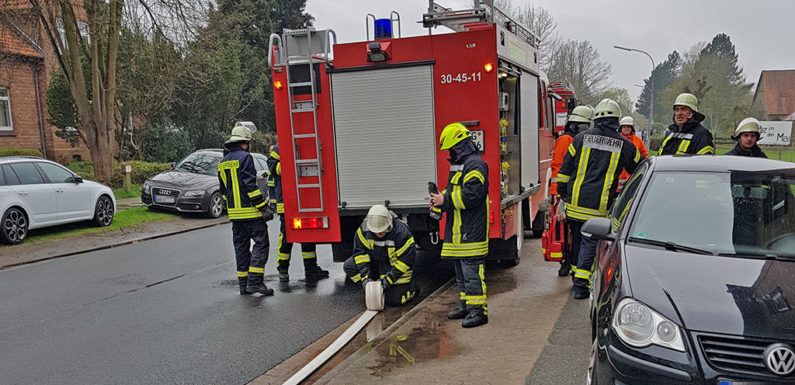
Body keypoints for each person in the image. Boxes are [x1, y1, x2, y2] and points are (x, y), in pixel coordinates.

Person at [557, 99, 642, 299]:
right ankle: (580, 285)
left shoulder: (579, 139)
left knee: (577, 240)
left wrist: (563, 194)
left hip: (575, 203)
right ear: (616, 120)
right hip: (599, 208)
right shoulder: (625, 145)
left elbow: (564, 170)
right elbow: (639, 169)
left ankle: (576, 276)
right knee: (589, 244)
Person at [429, 122, 490, 328]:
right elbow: (452, 189)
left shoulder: (475, 164)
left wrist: (444, 201)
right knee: (462, 272)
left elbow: (473, 195)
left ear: (458, 145)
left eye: (451, 149)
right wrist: (440, 197)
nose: (450, 153)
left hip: (471, 230)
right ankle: (466, 306)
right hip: (459, 230)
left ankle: (478, 312)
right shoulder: (461, 164)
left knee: (472, 272)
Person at [218, 124, 274, 295]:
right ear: (244, 143)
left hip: (235, 216)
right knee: (261, 243)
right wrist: (263, 208)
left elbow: (223, 191)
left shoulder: (222, 162)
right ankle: (255, 282)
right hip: (251, 213)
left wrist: (232, 208)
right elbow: (251, 187)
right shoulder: (245, 158)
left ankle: (243, 284)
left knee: (241, 248)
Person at [266, 144, 329, 282]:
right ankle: (282, 269)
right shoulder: (280, 147)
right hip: (287, 201)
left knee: (308, 235)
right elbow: (272, 166)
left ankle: (310, 269)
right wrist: (290, 166)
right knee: (287, 236)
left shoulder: (303, 144)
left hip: (305, 199)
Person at [343, 205, 420, 306]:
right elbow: (360, 255)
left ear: (389, 222)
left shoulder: (401, 233)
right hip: (375, 265)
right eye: (376, 231)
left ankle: (413, 287)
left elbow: (405, 262)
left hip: (394, 268)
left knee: (393, 300)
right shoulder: (363, 230)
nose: (379, 233)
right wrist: (366, 279)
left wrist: (387, 281)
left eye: (382, 230)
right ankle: (371, 288)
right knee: (349, 266)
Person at [549, 105, 593, 277]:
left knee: (570, 233)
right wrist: (559, 196)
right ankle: (565, 262)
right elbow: (558, 168)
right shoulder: (566, 140)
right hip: (562, 194)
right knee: (564, 232)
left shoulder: (575, 139)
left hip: (569, 193)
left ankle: (568, 262)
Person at [617, 116, 649, 188]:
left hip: (633, 173)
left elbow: (645, 154)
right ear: (621, 128)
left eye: (628, 127)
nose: (626, 129)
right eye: (624, 127)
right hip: (619, 175)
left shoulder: (638, 140)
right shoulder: (616, 140)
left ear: (631, 128)